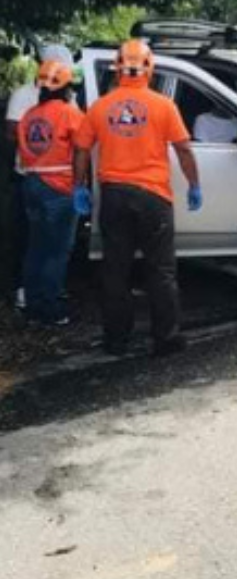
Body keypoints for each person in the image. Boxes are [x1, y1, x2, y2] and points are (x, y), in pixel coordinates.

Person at [72, 40, 202, 357]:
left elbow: (82, 149)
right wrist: (194, 183)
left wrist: (80, 186)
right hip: (153, 196)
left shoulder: (101, 107)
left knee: (115, 270)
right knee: (161, 271)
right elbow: (184, 148)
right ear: (150, 68)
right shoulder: (163, 106)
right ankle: (166, 339)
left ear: (118, 67)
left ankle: (116, 341)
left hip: (114, 195)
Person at [4, 43, 74, 311]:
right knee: (49, 244)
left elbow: (18, 134)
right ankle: (44, 300)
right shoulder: (28, 96)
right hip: (47, 180)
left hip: (34, 177)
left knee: (39, 242)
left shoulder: (35, 110)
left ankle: (39, 293)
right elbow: (80, 142)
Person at [16, 60, 84, 327]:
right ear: (66, 87)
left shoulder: (30, 115)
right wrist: (80, 186)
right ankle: (50, 307)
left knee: (37, 247)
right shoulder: (69, 113)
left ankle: (33, 306)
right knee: (57, 250)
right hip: (59, 187)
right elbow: (82, 150)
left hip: (32, 183)